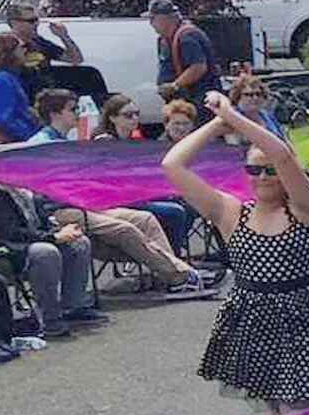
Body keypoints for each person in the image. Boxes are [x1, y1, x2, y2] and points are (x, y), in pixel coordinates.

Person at [165, 91, 309, 415]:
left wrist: (235, 118)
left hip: (307, 318)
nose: (262, 177)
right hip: (255, 320)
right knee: (275, 412)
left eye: (269, 170)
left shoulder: (304, 207)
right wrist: (218, 123)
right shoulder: (230, 212)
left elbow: (283, 155)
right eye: (254, 170)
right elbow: (172, 165)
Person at [30, 89, 218, 298]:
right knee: (125, 228)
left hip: (85, 204)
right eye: (73, 109)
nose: (78, 113)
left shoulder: (65, 140)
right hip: (58, 210)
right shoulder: (42, 143)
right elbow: (44, 187)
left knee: (146, 219)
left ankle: (179, 274)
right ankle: (179, 277)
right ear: (56, 114)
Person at [0, 178, 98, 338]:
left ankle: (73, 307)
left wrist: (59, 231)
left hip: (34, 240)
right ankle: (50, 319)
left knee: (79, 243)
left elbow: (41, 222)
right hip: (9, 253)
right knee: (45, 252)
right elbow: (10, 233)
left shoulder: (21, 189)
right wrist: (53, 237)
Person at [5, 4, 107, 105]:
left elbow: (76, 59)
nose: (36, 24)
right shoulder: (6, 42)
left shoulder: (38, 41)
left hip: (48, 81)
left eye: (37, 20)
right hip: (27, 84)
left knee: (89, 74)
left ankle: (103, 107)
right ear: (15, 23)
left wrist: (63, 36)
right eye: (31, 21)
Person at [0, 31, 40, 143]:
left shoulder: (10, 77)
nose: (25, 51)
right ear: (10, 52)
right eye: (21, 47)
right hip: (8, 143)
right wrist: (28, 135)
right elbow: (0, 116)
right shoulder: (2, 79)